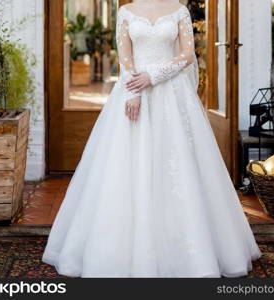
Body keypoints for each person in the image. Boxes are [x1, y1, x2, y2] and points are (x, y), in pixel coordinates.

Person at [42, 0, 262, 277]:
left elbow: (186, 55)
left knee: (178, 165)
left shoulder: (179, 9)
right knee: (128, 166)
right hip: (134, 90)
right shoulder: (126, 11)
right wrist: (134, 92)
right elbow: (125, 58)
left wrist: (153, 76)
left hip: (171, 93)